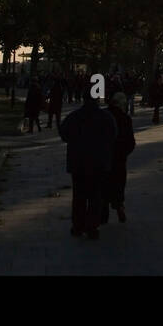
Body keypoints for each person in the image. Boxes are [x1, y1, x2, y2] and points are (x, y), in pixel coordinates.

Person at [59, 87, 117, 239]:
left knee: (79, 196)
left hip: (78, 162)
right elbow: (113, 136)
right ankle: (92, 226)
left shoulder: (74, 117)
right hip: (99, 163)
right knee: (95, 196)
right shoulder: (106, 117)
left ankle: (78, 226)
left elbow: (63, 134)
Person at [104, 91, 136, 224]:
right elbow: (130, 141)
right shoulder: (125, 118)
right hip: (119, 157)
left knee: (104, 185)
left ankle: (103, 212)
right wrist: (124, 152)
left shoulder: (104, 116)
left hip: (104, 157)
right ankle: (119, 206)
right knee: (118, 184)